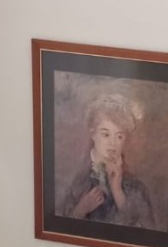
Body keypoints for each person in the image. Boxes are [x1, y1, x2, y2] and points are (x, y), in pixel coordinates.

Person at [59, 94, 158, 229]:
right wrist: (81, 210)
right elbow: (59, 227)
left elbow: (147, 232)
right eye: (105, 134)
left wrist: (117, 191)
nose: (113, 143)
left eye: (119, 136)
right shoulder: (77, 180)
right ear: (93, 134)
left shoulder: (136, 187)